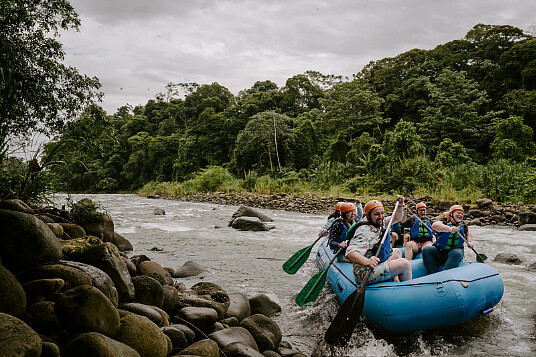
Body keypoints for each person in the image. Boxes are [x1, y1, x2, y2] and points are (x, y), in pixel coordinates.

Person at [344, 196, 412, 284]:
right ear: (368, 216)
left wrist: (399, 206)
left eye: (382, 213)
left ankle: (396, 280)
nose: (381, 216)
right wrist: (367, 262)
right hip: (366, 272)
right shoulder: (364, 231)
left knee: (397, 252)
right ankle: (407, 290)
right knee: (405, 264)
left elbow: (396, 218)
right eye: (377, 214)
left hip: (377, 262)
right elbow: (350, 252)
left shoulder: (379, 222)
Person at [422, 204, 472, 273]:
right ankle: (432, 273)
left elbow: (468, 233)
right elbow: (434, 226)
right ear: (451, 214)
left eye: (461, 214)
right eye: (458, 213)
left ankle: (446, 275)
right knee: (426, 250)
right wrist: (449, 229)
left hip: (454, 253)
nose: (460, 215)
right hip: (440, 252)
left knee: (456, 253)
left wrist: (469, 242)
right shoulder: (444, 221)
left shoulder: (463, 225)